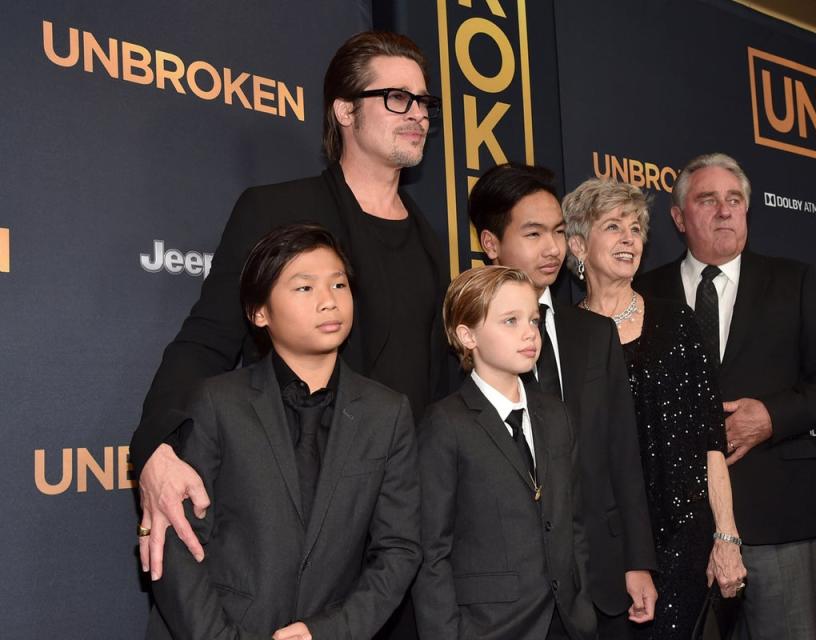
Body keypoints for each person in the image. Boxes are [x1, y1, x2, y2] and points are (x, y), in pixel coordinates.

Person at [131, 31, 447, 585]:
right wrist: (157, 445)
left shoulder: (432, 241)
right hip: (295, 528)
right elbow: (206, 340)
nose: (417, 113)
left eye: (424, 102)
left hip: (397, 537)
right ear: (345, 110)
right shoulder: (275, 209)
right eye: (397, 98)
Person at [145, 223, 420, 640]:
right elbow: (180, 542)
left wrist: (330, 631)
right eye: (304, 288)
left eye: (339, 285)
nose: (329, 301)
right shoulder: (218, 402)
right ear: (260, 313)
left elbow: (399, 550)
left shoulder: (387, 413)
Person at [635, 153, 816, 639]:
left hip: (776, 519)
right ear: (677, 217)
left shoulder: (793, 280)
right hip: (678, 532)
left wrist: (771, 417)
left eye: (734, 200)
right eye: (707, 200)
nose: (724, 211)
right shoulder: (644, 294)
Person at [468, 163, 658, 638]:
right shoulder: (464, 338)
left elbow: (623, 453)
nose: (552, 248)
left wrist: (638, 559)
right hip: (510, 589)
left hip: (603, 576)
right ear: (491, 244)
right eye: (533, 233)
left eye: (557, 231)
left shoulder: (594, 334)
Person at [562, 178, 747, 639]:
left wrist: (726, 536)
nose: (630, 239)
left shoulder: (677, 321)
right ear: (578, 245)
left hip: (685, 531)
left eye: (636, 228)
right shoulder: (561, 336)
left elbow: (711, 440)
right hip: (609, 539)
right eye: (613, 227)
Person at [413, 266, 597, 640]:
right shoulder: (446, 424)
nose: (530, 332)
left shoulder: (556, 415)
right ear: (467, 335)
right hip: (489, 627)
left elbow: (573, 521)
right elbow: (431, 553)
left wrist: (582, 604)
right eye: (510, 321)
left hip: (567, 623)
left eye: (533, 319)